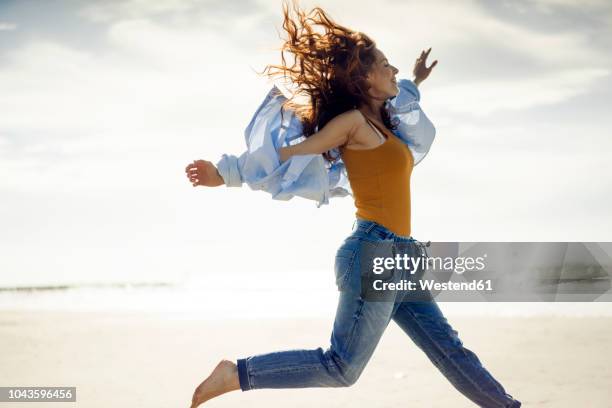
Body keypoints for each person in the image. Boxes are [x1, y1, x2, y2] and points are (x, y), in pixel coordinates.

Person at [184, 3, 521, 407]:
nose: (393, 70)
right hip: (373, 252)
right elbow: (289, 154)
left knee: (450, 351)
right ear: (364, 78)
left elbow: (402, 96)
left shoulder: (385, 125)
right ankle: (236, 373)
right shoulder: (352, 124)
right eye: (385, 65)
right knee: (341, 367)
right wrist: (225, 174)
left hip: (401, 257)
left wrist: (415, 78)